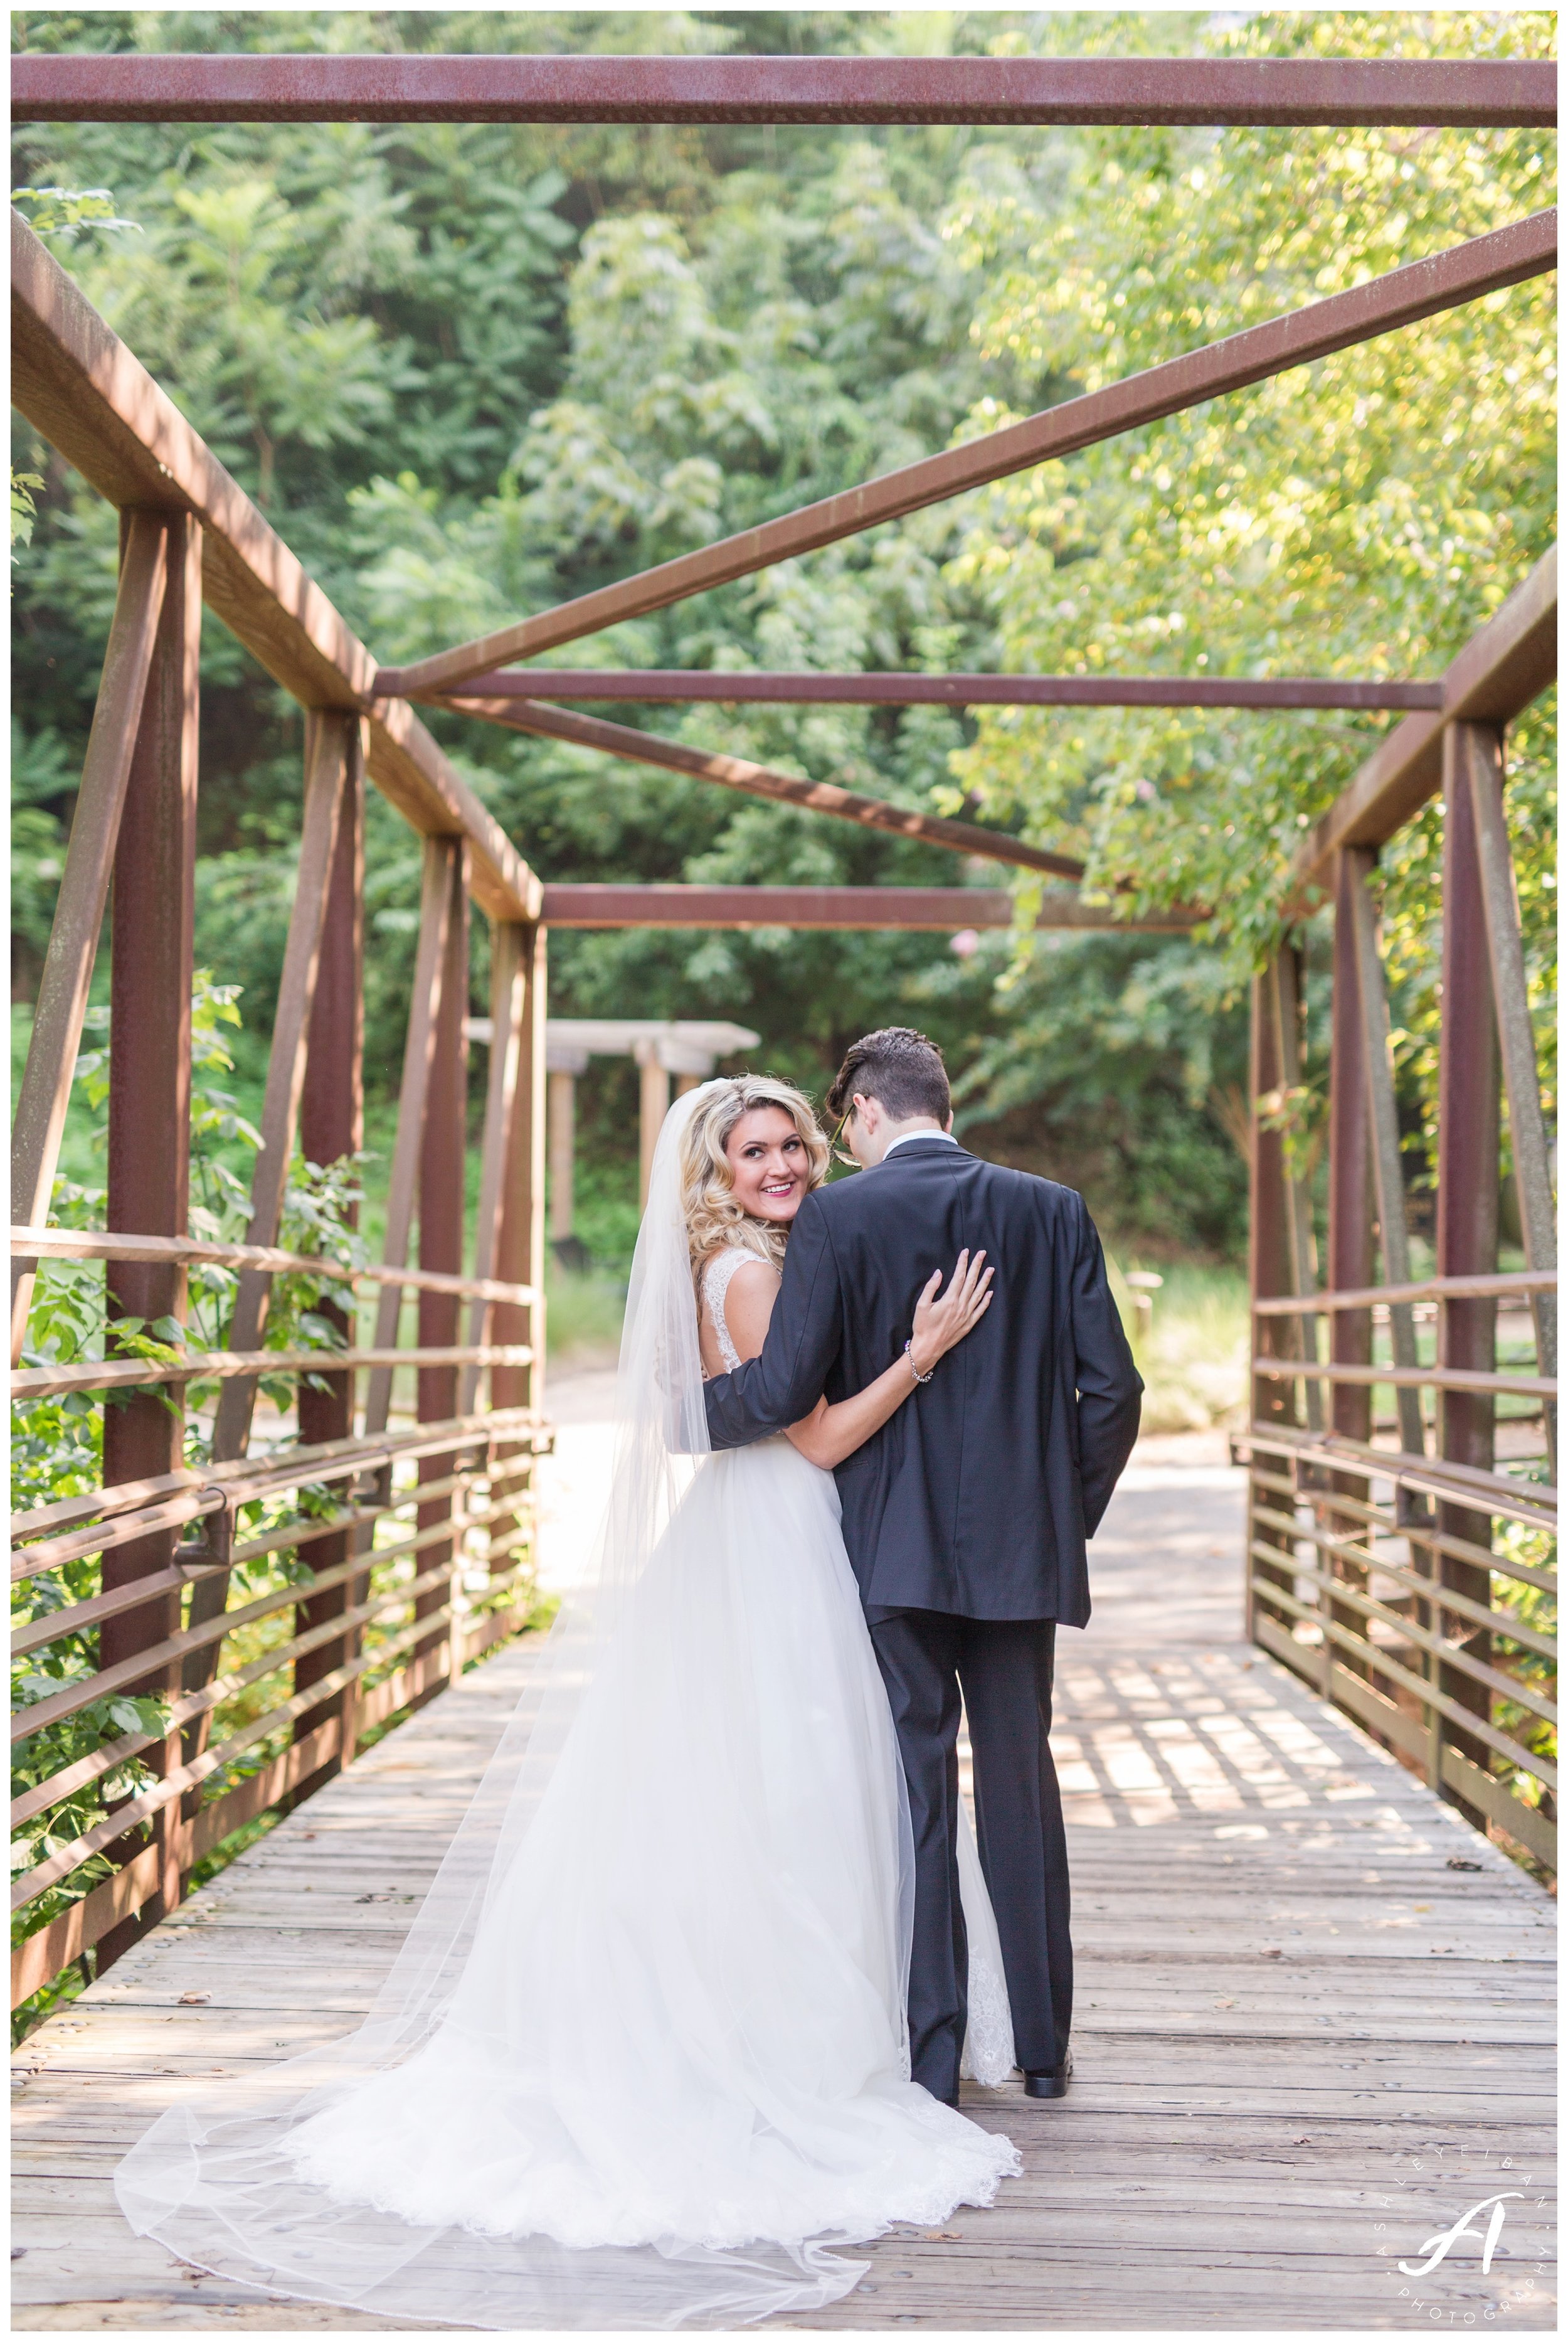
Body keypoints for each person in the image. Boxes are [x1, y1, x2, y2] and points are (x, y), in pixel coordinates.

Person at [115, 1075, 1020, 2330]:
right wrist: (921, 1357)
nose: (781, 1164)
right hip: (777, 1535)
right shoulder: (750, 1276)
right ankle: (782, 2048)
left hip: (741, 1536)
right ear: (712, 1169)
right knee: (792, 1788)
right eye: (752, 1150)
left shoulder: (739, 1260)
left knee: (744, 1790)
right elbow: (809, 1441)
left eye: (791, 1144)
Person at [704, 1028, 1143, 2110]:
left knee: (916, 1795)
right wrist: (1056, 1517)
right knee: (1020, 1783)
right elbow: (1115, 1394)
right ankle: (1043, 2051)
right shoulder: (1053, 1210)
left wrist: (680, 1412)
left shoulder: (839, 1218)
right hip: (1019, 1559)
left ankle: (935, 2056)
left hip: (888, 1553)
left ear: (859, 1113)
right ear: (943, 1102)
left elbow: (784, 1388)